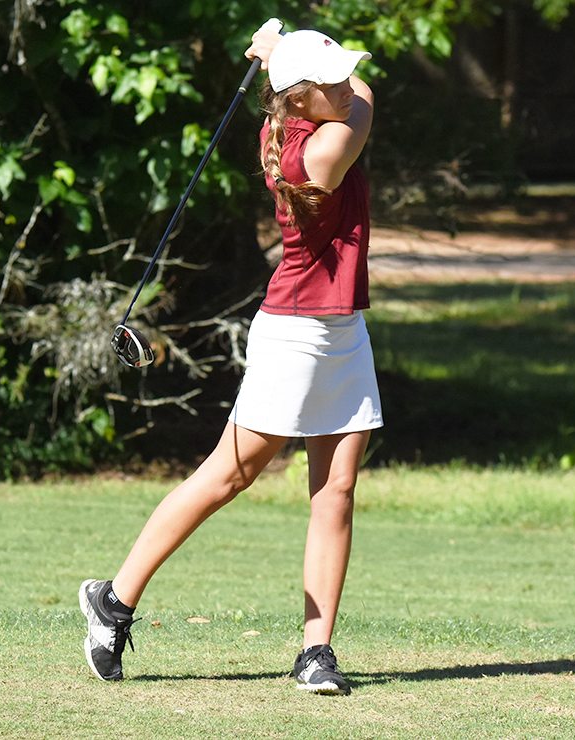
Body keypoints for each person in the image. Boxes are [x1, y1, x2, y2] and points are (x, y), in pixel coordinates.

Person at [79, 23, 379, 696]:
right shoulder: (320, 150)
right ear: (301, 101)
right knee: (228, 476)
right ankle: (114, 599)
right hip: (295, 334)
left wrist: (278, 58)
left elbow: (339, 86)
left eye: (333, 78)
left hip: (342, 331)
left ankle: (316, 651)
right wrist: (281, 57)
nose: (340, 84)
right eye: (324, 82)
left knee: (336, 493)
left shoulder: (292, 120)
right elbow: (363, 96)